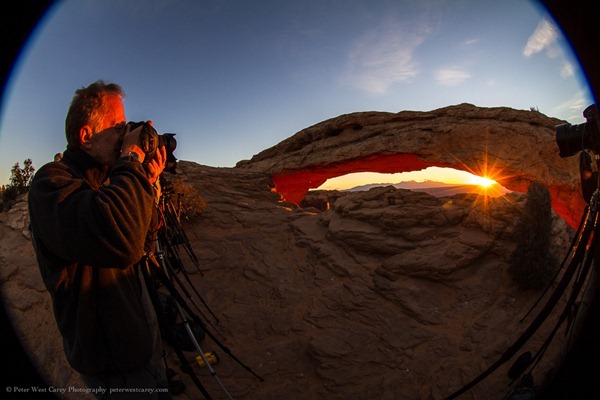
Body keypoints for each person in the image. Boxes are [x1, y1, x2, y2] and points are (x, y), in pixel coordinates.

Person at [28, 80, 171, 399]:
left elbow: (141, 245)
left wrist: (146, 181)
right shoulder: (51, 184)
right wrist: (132, 159)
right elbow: (120, 241)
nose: (125, 134)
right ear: (86, 135)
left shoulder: (109, 181)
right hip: (112, 362)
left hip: (139, 340)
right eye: (118, 125)